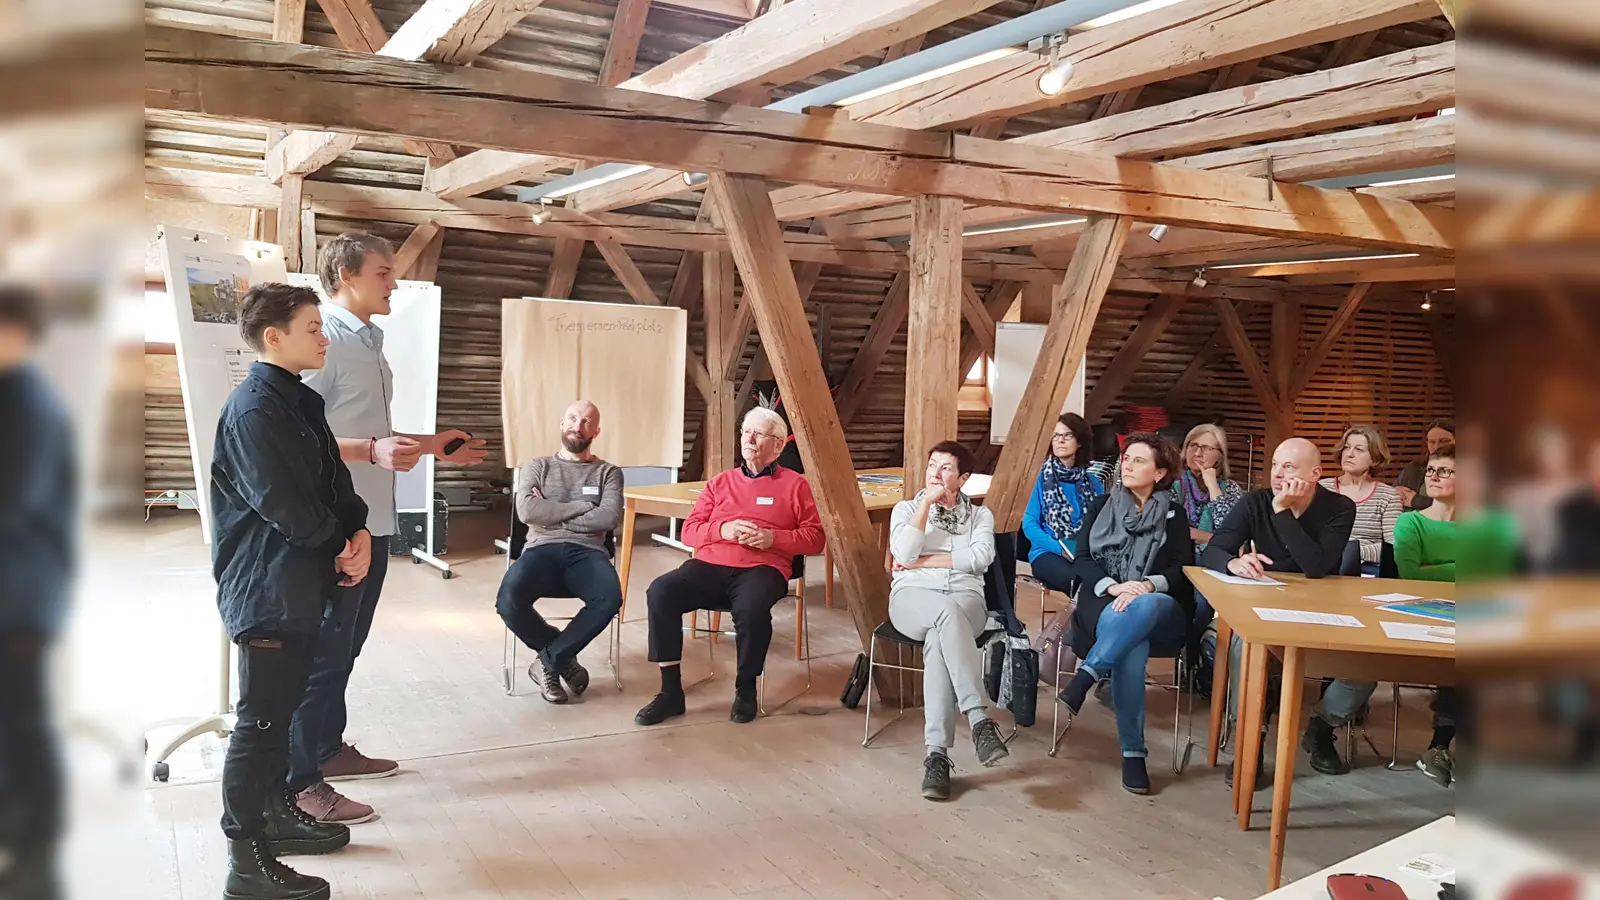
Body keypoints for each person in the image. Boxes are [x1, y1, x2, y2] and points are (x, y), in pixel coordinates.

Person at [289, 232, 488, 826]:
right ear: (346, 276)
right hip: (336, 523)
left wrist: (431, 445)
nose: (394, 283)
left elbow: (370, 433)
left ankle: (328, 748)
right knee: (323, 655)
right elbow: (297, 436)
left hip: (371, 520)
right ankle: (299, 782)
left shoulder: (369, 342)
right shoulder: (325, 343)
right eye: (383, 272)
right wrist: (371, 451)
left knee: (346, 648)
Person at [210, 284, 370, 900]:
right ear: (274, 337)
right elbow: (282, 504)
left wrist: (357, 530)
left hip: (298, 582)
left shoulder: (298, 401)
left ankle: (276, 815)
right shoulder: (253, 410)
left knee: (280, 715)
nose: (323, 336)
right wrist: (339, 543)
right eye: (312, 327)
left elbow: (334, 482)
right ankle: (245, 858)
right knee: (260, 722)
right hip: (266, 587)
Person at [635, 407, 825, 726]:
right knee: (661, 591)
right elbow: (689, 531)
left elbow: (815, 538)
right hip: (710, 564)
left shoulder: (796, 485)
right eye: (746, 432)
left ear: (778, 445)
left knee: (750, 608)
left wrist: (773, 538)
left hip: (764, 567)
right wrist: (723, 530)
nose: (749, 439)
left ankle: (745, 689)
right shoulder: (719, 483)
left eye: (758, 434)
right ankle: (670, 693)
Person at [1298, 443, 1460, 781]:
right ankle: (1321, 725)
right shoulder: (1410, 522)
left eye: (1445, 471)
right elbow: (1413, 575)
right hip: (1411, 612)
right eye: (1431, 470)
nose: (1433, 476)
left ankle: (1439, 746)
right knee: (1366, 665)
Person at [1201, 437, 1356, 788]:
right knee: (1241, 647)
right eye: (1274, 465)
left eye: (1288, 467)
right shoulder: (1254, 502)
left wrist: (1282, 511)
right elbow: (1214, 550)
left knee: (1365, 668)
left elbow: (1316, 566)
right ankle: (1250, 739)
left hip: (1321, 608)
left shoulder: (1339, 507)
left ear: (1315, 474)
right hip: (1266, 605)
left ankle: (1322, 724)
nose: (1277, 474)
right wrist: (1233, 562)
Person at [1053, 434, 1194, 794]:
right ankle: (1133, 753)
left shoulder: (1174, 514)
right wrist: (1114, 587)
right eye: (1126, 459)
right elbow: (1082, 558)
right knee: (1132, 647)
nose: (1126, 465)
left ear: (1159, 473)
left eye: (1138, 460)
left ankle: (1086, 676)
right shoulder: (1102, 504)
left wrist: (1146, 585)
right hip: (1105, 602)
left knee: (1143, 605)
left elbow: (1181, 567)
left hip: (1161, 607)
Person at [0, 287, 74, 900]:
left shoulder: (30, 405)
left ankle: (38, 861)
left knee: (25, 724)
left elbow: (16, 500)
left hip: (21, 597)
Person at [888, 442, 1007, 801]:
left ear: (963, 478)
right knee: (943, 613)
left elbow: (981, 557)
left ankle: (936, 756)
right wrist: (925, 505)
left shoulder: (980, 516)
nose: (935, 474)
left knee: (941, 636)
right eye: (932, 466)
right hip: (912, 599)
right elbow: (903, 552)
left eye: (945, 468)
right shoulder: (906, 509)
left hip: (966, 598)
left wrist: (924, 562)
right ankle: (978, 718)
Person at [496, 401, 624, 704]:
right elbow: (528, 512)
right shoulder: (537, 467)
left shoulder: (608, 473)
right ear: (562, 423)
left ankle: (547, 662)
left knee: (609, 598)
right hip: (541, 549)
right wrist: (583, 506)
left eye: (586, 422)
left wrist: (552, 512)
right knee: (508, 601)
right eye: (572, 419)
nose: (578, 426)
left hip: (588, 552)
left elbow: (608, 517)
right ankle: (560, 657)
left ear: (596, 431)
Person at [1021, 413, 1103, 596]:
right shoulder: (1039, 479)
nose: (1060, 440)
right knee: (1078, 579)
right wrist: (1060, 550)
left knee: (1103, 576)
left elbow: (1098, 525)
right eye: (1056, 435)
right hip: (1047, 551)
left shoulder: (1094, 483)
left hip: (1083, 552)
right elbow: (1029, 525)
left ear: (1079, 441)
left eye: (1067, 435)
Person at [1320, 424, 1403, 576]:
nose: (1349, 454)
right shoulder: (1322, 489)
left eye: (1359, 449)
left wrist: (1353, 552)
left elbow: (1392, 547)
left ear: (1374, 458)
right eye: (1346, 447)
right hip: (1325, 566)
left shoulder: (1388, 495)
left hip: (1367, 569)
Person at [1395, 419, 1455, 510]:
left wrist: (1417, 501)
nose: (1437, 446)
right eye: (1432, 442)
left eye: (1444, 441)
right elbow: (1396, 495)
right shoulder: (1414, 467)